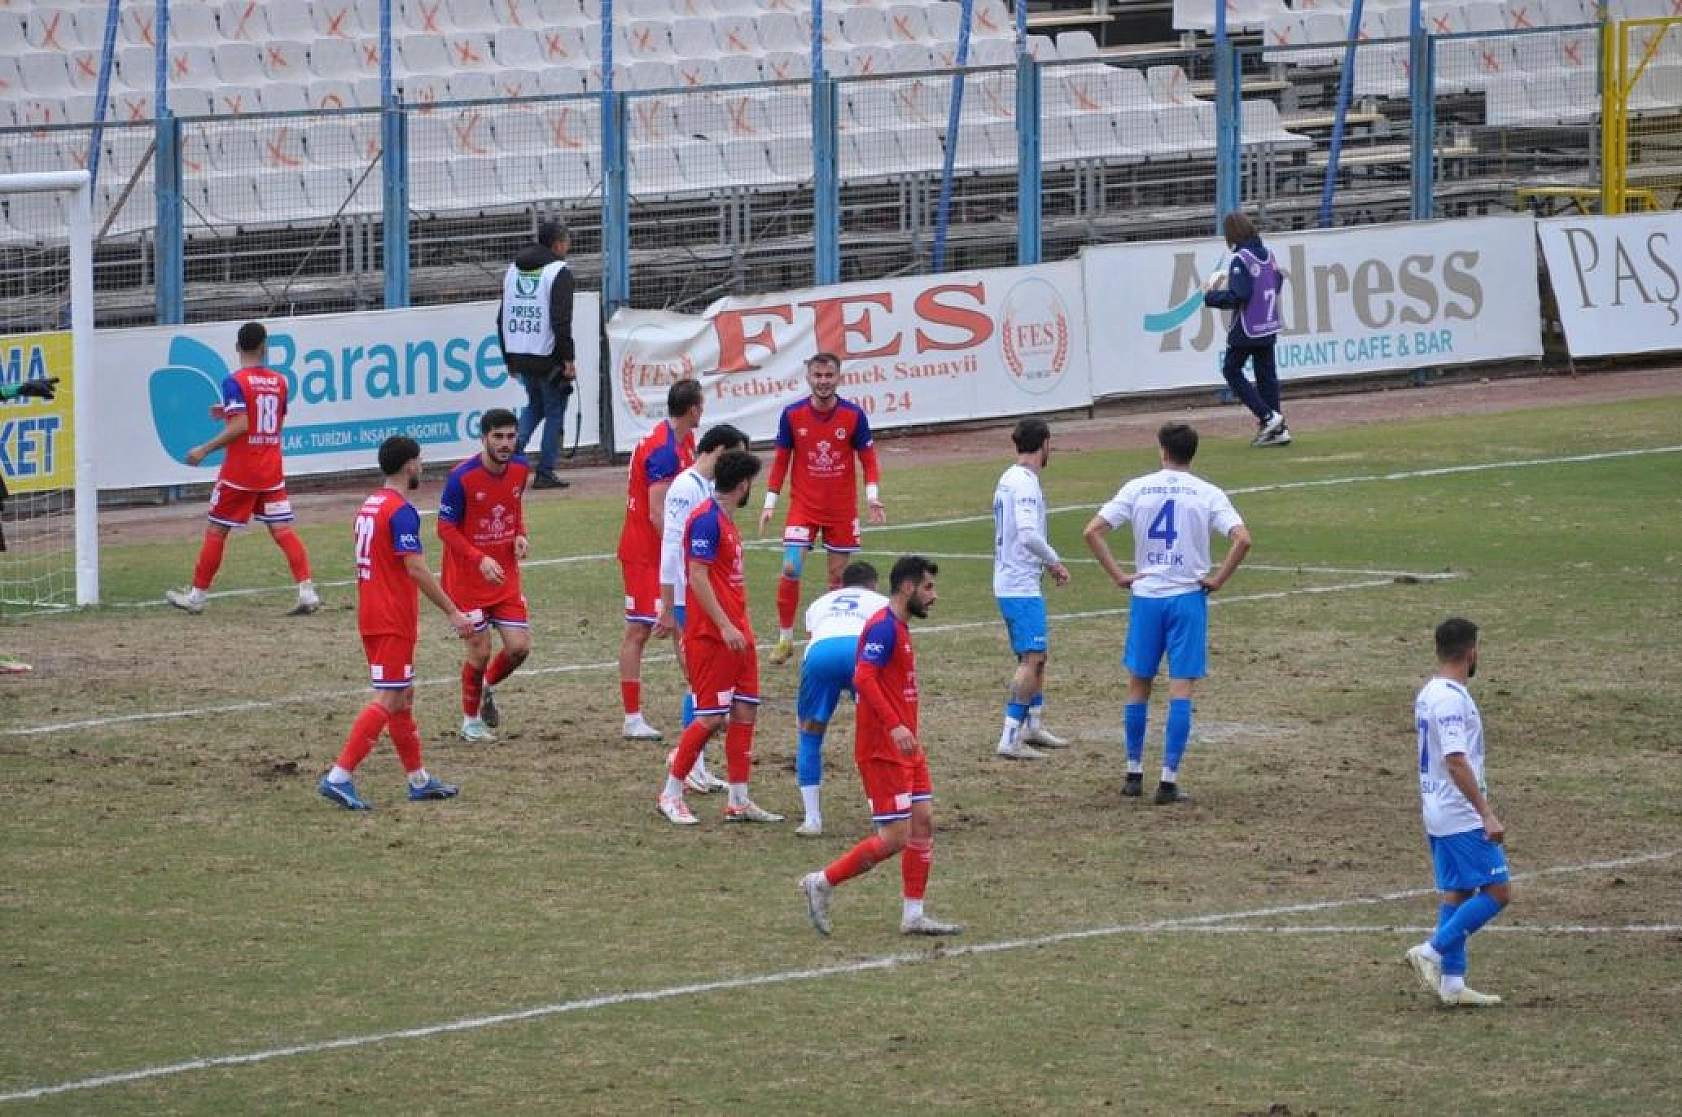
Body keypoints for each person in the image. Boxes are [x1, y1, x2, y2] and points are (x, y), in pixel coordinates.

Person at [1082, 422, 1251, 805]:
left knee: (1138, 683)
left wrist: (1119, 576)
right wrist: (1219, 579)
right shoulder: (1207, 492)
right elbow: (1243, 538)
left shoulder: (1138, 487)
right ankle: (1168, 779)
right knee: (1181, 688)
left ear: (1162, 451)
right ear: (1193, 453)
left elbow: (1092, 531)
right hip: (1187, 597)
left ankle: (1132, 772)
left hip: (1147, 596)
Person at [798, 555, 960, 938]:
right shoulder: (882, 628)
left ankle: (913, 914)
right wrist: (895, 727)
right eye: (928, 588)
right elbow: (864, 677)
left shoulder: (899, 627)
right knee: (895, 838)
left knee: (923, 823)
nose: (933, 596)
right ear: (907, 588)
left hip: (907, 748)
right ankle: (821, 882)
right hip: (882, 748)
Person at [318, 435, 473, 811]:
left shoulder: (369, 506)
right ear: (409, 466)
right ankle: (339, 776)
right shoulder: (401, 511)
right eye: (419, 461)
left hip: (371, 613)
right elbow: (415, 568)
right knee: (388, 697)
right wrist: (453, 611)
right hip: (392, 618)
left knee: (402, 697)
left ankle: (418, 779)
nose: (421, 467)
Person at [656, 449, 783, 825]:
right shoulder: (706, 521)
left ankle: (739, 800)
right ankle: (671, 792)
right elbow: (696, 575)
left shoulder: (724, 520)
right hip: (712, 637)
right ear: (743, 485)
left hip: (738, 635)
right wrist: (725, 625)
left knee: (745, 711)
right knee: (710, 717)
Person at [165, 322, 319, 617]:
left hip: (240, 472)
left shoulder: (234, 381)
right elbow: (268, 419)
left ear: (237, 347)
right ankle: (307, 591)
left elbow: (242, 425)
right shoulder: (280, 382)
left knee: (217, 529)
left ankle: (197, 596)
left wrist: (204, 449)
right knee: (282, 529)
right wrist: (227, 411)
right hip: (271, 468)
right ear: (265, 347)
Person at [1404, 618, 1510, 1008]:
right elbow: (1455, 760)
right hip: (1458, 811)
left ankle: (1452, 983)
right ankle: (1431, 951)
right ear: (1472, 653)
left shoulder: (1430, 692)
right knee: (1498, 891)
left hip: (1437, 808)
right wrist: (1486, 813)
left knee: (1459, 891)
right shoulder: (1450, 699)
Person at [758, 352, 886, 666]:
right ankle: (785, 638)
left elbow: (868, 460)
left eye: (829, 376)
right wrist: (769, 503)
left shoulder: (854, 416)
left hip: (841, 511)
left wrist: (872, 497)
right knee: (790, 567)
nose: (823, 381)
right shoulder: (792, 415)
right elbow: (780, 462)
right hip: (803, 507)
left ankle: (829, 637)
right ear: (808, 377)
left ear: (838, 378)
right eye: (817, 375)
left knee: (837, 578)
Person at [655, 422, 750, 793]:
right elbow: (671, 546)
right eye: (737, 455)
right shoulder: (684, 487)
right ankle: (686, 761)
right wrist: (666, 604)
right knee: (700, 684)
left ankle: (696, 763)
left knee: (703, 687)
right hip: (686, 599)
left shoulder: (706, 489)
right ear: (720, 450)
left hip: (697, 599)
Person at [616, 379, 705, 740]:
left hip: (662, 554)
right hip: (645, 554)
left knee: (682, 623)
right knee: (640, 629)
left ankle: (699, 697)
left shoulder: (683, 441)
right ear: (693, 409)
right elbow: (657, 513)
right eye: (701, 405)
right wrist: (681, 552)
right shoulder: (665, 450)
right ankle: (632, 717)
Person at [438, 408, 532, 744]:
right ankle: (470, 721)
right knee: (479, 651)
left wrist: (519, 534)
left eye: (510, 436)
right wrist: (478, 559)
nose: (506, 444)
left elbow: (513, 507)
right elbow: (445, 528)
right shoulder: (461, 477)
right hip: (467, 582)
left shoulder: (521, 469)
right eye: (498, 437)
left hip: (504, 577)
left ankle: (486, 686)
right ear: (484, 438)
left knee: (519, 648)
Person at [992, 417, 1072, 761]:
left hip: (1014, 581)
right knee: (1032, 658)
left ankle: (1032, 725)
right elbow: (1027, 532)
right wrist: (1054, 561)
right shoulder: (1024, 483)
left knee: (1037, 658)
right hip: (1019, 584)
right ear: (1045, 442)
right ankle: (1010, 737)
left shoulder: (1010, 478)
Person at [791, 561, 889, 837]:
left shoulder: (819, 603)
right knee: (872, 736)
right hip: (860, 652)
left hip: (821, 653)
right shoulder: (880, 601)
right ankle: (880, 813)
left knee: (810, 733)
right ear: (872, 584)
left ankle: (812, 819)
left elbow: (815, 635)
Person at [498, 220, 576, 489]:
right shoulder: (558, 272)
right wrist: (568, 358)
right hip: (547, 355)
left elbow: (502, 316)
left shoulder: (513, 270)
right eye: (566, 242)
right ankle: (545, 471)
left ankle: (510, 455)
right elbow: (560, 320)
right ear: (557, 244)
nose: (568, 247)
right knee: (555, 410)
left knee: (535, 405)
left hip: (520, 352)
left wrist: (508, 356)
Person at [1203, 211, 1291, 447]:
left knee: (1231, 370)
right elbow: (1278, 282)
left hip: (1247, 326)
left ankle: (1268, 416)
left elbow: (1239, 295)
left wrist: (1211, 296)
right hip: (1268, 323)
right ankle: (1278, 429)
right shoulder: (1268, 254)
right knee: (1266, 377)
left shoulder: (1241, 259)